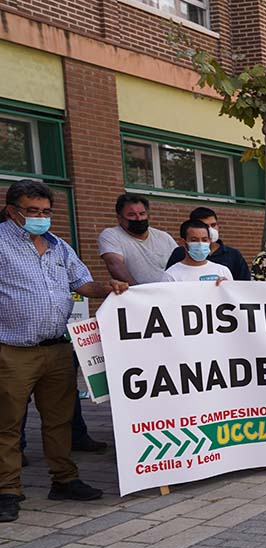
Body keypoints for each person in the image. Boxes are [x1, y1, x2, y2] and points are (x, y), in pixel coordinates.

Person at [0, 179, 130, 522]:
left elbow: (82, 284)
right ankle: (7, 490)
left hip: (57, 349)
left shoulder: (58, 246)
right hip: (12, 351)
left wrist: (108, 287)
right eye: (32, 211)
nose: (40, 218)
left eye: (46, 211)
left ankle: (64, 479)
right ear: (12, 211)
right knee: (7, 424)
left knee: (59, 421)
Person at [98, 192, 176, 284]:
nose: (138, 218)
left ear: (148, 215)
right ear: (119, 218)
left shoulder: (164, 237)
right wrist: (137, 290)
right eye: (131, 215)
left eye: (142, 214)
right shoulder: (111, 235)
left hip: (168, 290)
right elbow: (115, 264)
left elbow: (181, 263)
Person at [165, 206, 250, 280]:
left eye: (213, 225)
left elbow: (242, 286)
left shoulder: (233, 255)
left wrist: (226, 285)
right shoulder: (180, 253)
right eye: (205, 226)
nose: (210, 230)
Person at [165, 220, 233, 283]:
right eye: (194, 240)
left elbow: (232, 292)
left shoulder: (223, 271)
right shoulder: (171, 275)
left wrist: (226, 286)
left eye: (204, 240)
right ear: (183, 243)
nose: (200, 244)